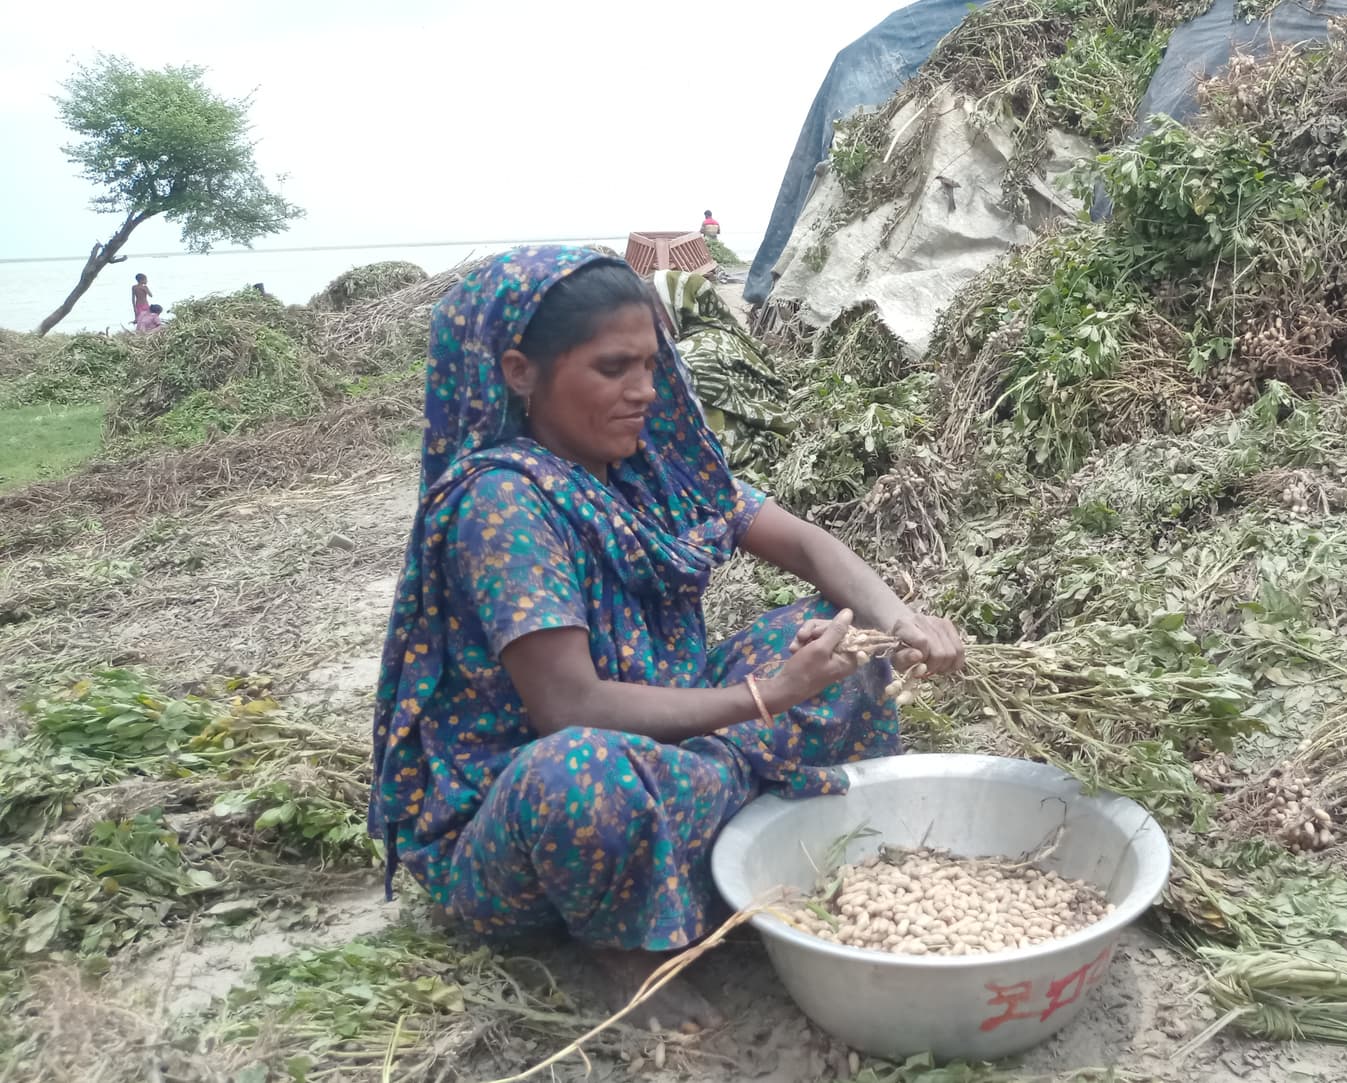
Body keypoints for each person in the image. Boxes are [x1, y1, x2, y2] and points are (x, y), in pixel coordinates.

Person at [368, 245, 964, 1026]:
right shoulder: (503, 502)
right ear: (520, 371)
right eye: (613, 368)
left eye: (651, 365)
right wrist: (766, 697)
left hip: (674, 739)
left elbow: (810, 546)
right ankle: (626, 948)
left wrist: (901, 622)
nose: (644, 391)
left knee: (845, 648)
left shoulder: (652, 472)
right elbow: (568, 706)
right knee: (584, 777)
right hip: (532, 816)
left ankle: (731, 836)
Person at [650, 267, 791, 473]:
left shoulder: (690, 354)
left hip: (739, 458)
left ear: (677, 305)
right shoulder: (727, 333)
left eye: (654, 310)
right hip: (770, 436)